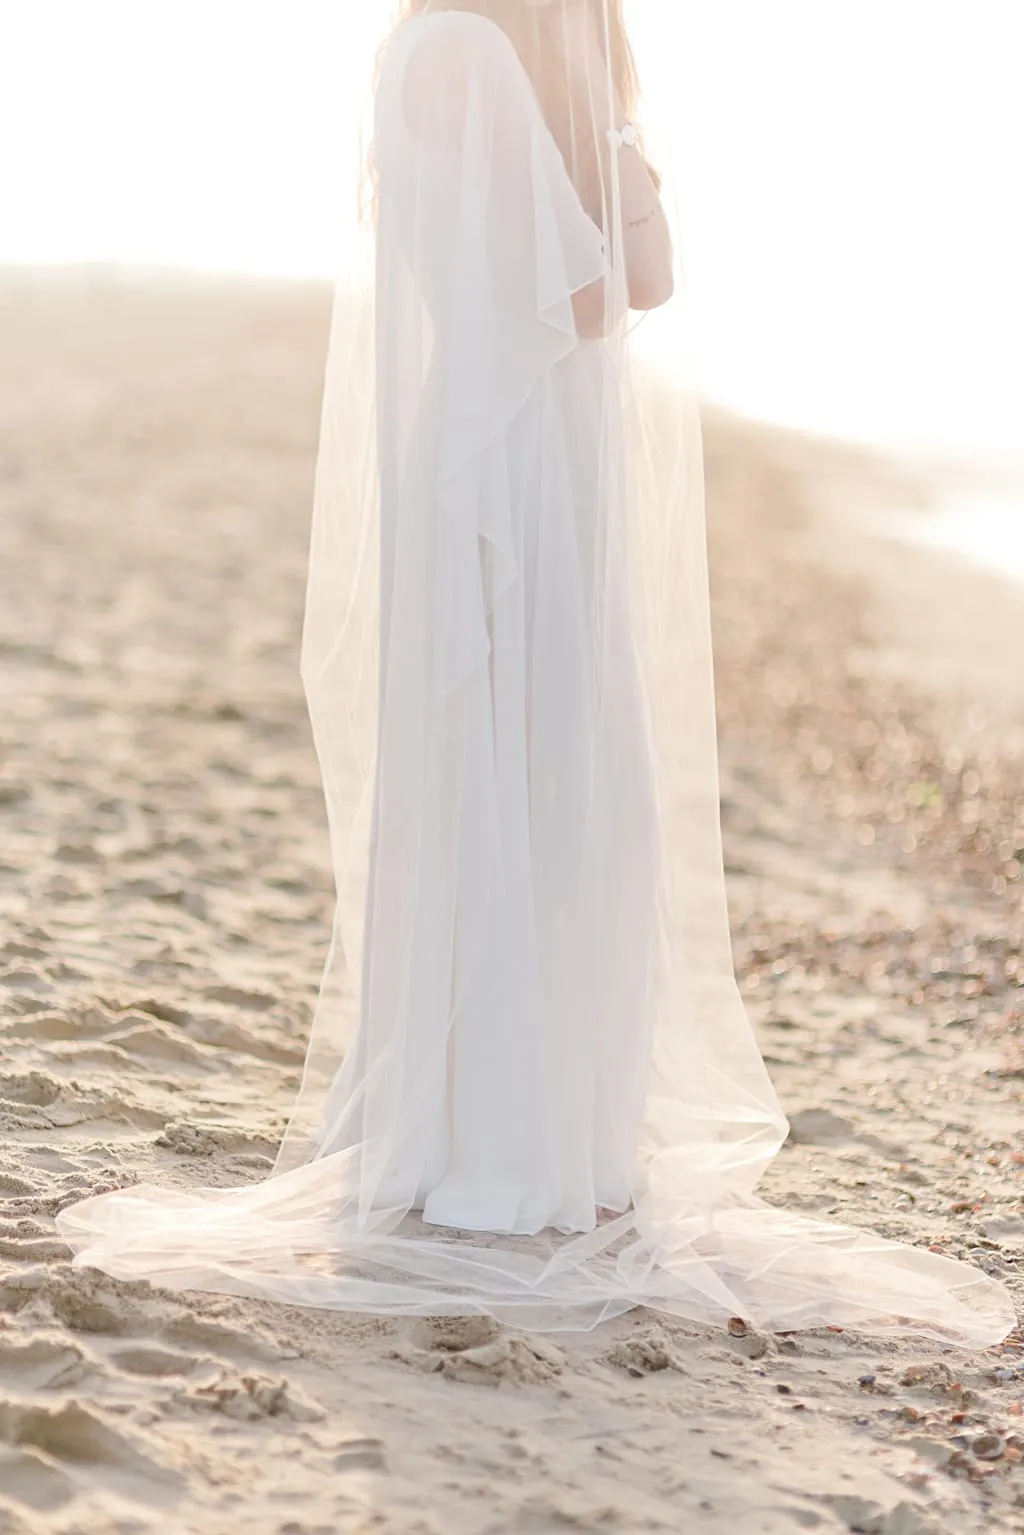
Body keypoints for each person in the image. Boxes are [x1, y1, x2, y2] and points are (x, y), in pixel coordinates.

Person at [57, 0, 1015, 1346]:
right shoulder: (470, 58)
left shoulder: (428, 52)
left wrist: (616, 156)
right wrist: (622, 165)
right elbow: (591, 290)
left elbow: (607, 276)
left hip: (505, 436)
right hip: (516, 451)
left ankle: (516, 1124)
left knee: (522, 764)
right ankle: (510, 1142)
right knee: (541, 768)